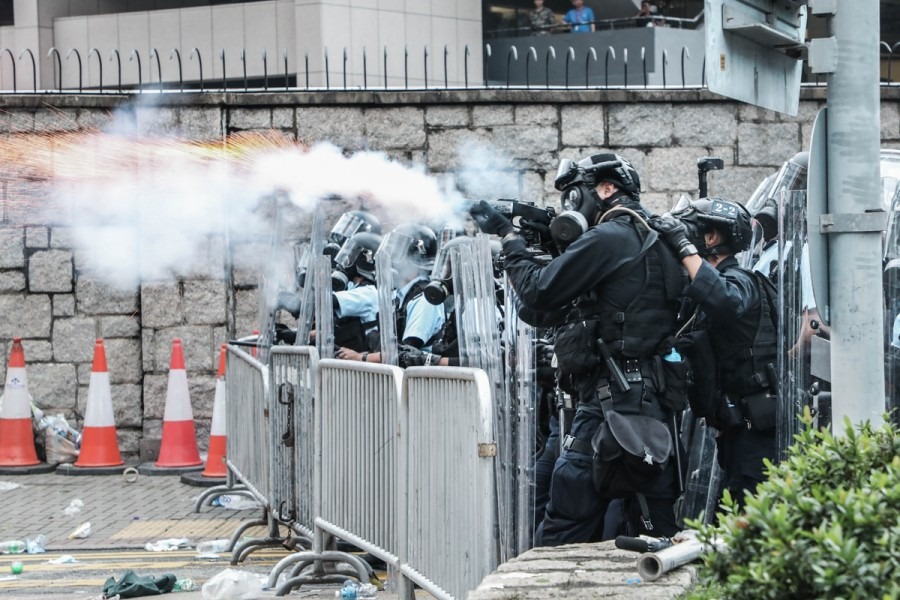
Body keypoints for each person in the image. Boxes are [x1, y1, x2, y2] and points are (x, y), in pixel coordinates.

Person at [471, 153, 686, 545]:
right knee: (654, 533)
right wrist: (558, 251)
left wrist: (509, 238)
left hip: (608, 405)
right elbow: (548, 311)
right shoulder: (657, 236)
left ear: (605, 189)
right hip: (651, 404)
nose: (570, 206)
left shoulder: (608, 237)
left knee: (564, 531)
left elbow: (537, 292)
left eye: (574, 194)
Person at [650, 198, 778, 508]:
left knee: (752, 515)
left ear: (710, 238)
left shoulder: (743, 281)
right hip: (731, 427)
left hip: (755, 431)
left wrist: (683, 247)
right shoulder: (701, 294)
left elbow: (726, 299)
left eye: (689, 232)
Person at [337, 223, 445, 363]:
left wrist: (360, 357)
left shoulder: (425, 298)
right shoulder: (398, 295)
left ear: (414, 261)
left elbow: (407, 352)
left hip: (418, 376)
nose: (389, 261)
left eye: (396, 255)